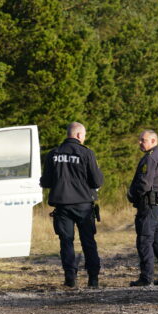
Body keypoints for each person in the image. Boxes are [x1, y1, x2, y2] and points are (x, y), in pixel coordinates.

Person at [40, 122, 104, 288]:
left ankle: (70, 278)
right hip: (83, 205)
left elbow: (45, 182)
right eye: (84, 135)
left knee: (66, 242)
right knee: (88, 241)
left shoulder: (53, 154)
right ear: (78, 135)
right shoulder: (86, 153)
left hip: (62, 206)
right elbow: (97, 181)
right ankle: (93, 279)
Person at [127, 129, 158, 286]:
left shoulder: (151, 158)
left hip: (151, 204)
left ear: (153, 141)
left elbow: (144, 183)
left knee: (145, 240)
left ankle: (146, 278)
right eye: (139, 139)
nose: (140, 142)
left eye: (143, 140)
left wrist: (134, 196)